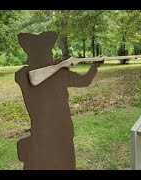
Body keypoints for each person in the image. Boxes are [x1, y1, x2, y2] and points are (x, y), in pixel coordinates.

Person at [15, 31, 103, 170]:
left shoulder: (21, 75)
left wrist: (60, 65)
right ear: (48, 54)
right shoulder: (59, 73)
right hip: (62, 130)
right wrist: (94, 67)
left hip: (41, 132)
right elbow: (84, 81)